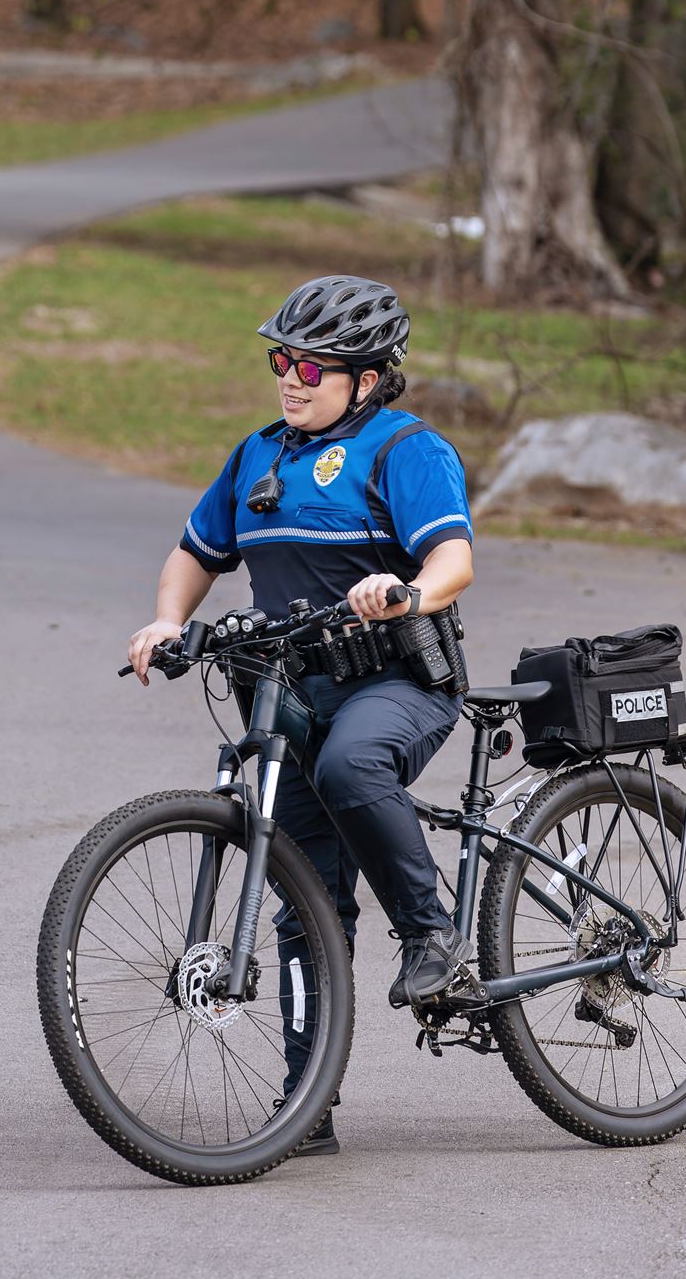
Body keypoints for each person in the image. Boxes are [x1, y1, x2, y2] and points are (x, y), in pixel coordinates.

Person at [126, 272, 476, 1158]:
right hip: (291, 696)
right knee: (303, 899)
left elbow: (453, 560)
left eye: (313, 367)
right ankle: (304, 1101)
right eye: (282, 359)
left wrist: (405, 590)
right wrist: (170, 619)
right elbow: (195, 552)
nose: (290, 377)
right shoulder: (257, 456)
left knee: (352, 766)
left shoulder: (407, 449)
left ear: (366, 378)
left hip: (396, 684)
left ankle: (432, 937)